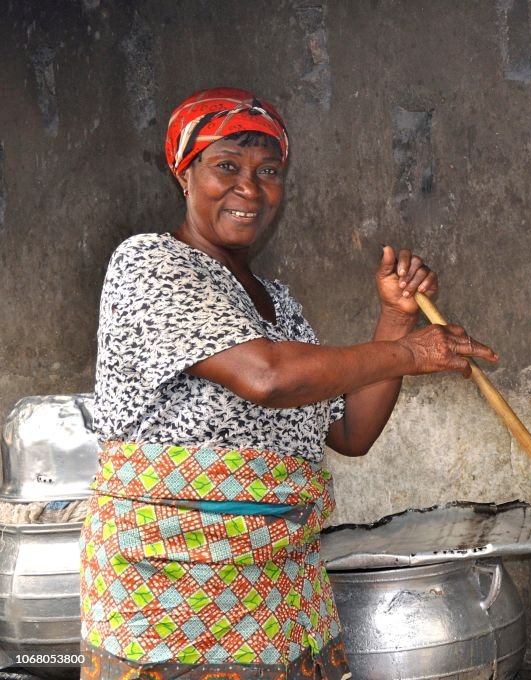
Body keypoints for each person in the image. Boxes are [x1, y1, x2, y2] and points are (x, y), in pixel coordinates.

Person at [79, 87, 497, 679]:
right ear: (185, 174)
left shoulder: (278, 305)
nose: (249, 189)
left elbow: (350, 433)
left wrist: (397, 321)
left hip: (281, 583)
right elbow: (266, 377)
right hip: (173, 585)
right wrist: (407, 351)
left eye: (268, 171)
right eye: (227, 166)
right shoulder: (150, 262)